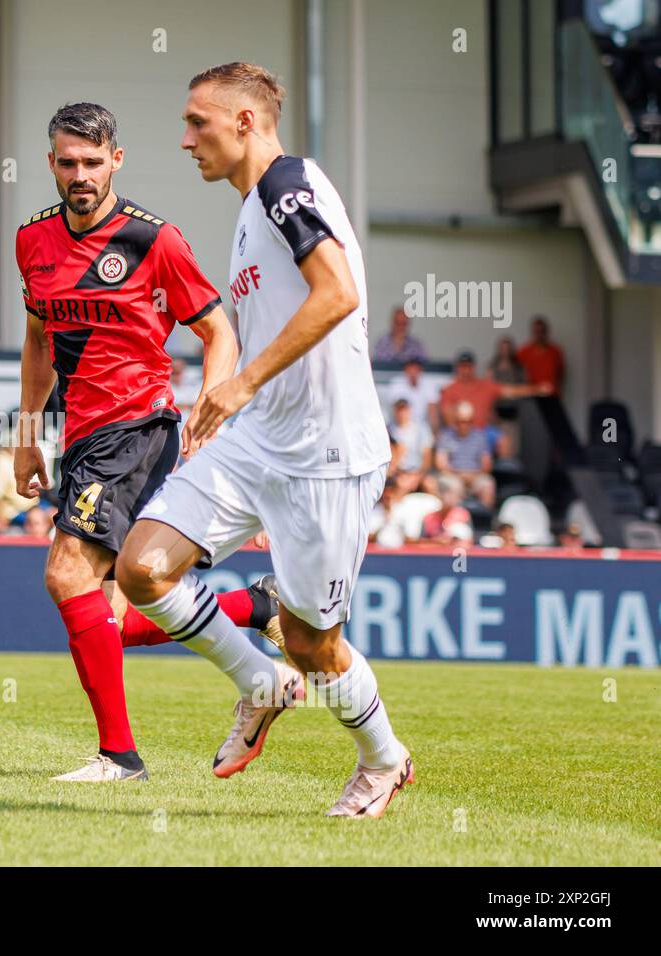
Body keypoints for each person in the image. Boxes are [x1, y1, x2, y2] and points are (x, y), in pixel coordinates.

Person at [114, 63, 413, 817]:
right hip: (258, 444)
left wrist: (239, 385)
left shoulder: (285, 186)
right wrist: (233, 397)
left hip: (326, 455)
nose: (185, 139)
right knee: (142, 569)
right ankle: (257, 678)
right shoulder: (251, 209)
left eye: (197, 122)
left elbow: (338, 293)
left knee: (316, 648)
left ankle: (382, 760)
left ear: (245, 121)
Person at [15, 101, 279, 783]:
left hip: (136, 427)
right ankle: (254, 607)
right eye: (68, 162)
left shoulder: (152, 240)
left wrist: (209, 405)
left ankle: (119, 757)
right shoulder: (32, 241)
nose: (80, 174)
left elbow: (218, 330)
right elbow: (40, 338)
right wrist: (26, 432)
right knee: (115, 610)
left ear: (116, 162)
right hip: (80, 437)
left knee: (66, 576)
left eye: (93, 162)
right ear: (50, 164)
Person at [434, 400, 496, 508]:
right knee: (451, 486)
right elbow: (440, 463)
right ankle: (454, 520)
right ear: (455, 420)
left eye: (467, 421)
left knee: (488, 485)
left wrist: (471, 476)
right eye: (460, 421)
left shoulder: (480, 437)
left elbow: (487, 465)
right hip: (453, 476)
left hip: (476, 476)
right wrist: (459, 475)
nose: (464, 425)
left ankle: (485, 520)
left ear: (472, 421)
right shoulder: (446, 436)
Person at [381, 356, 439, 432]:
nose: (413, 372)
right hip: (401, 426)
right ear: (405, 370)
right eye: (410, 369)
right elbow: (396, 410)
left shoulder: (428, 384)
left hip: (423, 427)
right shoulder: (396, 383)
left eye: (415, 369)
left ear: (420, 370)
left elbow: (433, 412)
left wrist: (434, 432)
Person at [517, 315, 565, 395]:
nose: (539, 335)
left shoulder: (556, 352)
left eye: (542, 332)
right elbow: (517, 374)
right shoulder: (523, 352)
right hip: (531, 396)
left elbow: (561, 374)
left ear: (546, 332)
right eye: (536, 332)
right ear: (532, 332)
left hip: (552, 396)